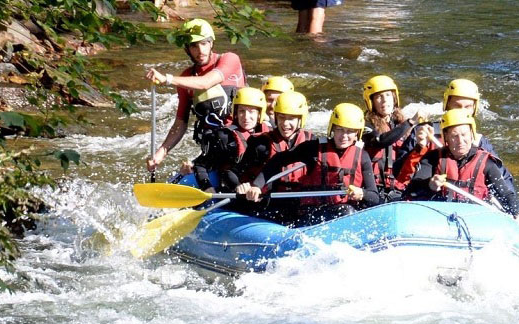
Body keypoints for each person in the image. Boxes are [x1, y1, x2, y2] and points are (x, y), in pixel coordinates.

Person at [238, 103, 379, 226]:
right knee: (346, 212)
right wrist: (256, 186)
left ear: (357, 134)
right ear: (332, 129)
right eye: (340, 129)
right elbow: (277, 161)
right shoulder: (313, 148)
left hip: (346, 215)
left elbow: (374, 197)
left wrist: (362, 193)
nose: (344, 136)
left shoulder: (363, 156)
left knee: (347, 211)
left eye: (350, 132)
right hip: (312, 214)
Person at [144, 18, 245, 174]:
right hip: (214, 146)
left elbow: (206, 82)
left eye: (204, 43)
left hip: (243, 141)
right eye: (194, 46)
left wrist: (168, 79)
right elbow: (180, 123)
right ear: (187, 49)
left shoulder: (229, 59)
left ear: (211, 43)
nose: (200, 51)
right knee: (181, 180)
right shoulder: (186, 78)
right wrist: (160, 153)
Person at [407, 109, 519, 218]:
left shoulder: (486, 162)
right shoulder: (432, 158)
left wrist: (517, 214)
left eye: (464, 135)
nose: (460, 141)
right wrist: (430, 184)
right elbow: (412, 189)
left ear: (471, 134)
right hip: (441, 215)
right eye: (454, 136)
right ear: (446, 137)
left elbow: (505, 194)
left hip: (475, 216)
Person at [235, 91, 315, 187]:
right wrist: (240, 186)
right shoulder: (260, 143)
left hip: (301, 197)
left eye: (291, 118)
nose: (285, 123)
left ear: (300, 120)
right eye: (282, 117)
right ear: (276, 118)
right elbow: (237, 172)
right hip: (268, 198)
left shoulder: (311, 141)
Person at [361, 75, 419, 201]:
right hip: (375, 189)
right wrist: (411, 122)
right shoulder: (365, 125)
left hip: (398, 187)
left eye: (387, 95)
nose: (384, 100)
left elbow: (408, 156)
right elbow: (381, 141)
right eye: (378, 97)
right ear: (371, 101)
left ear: (394, 97)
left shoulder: (400, 124)